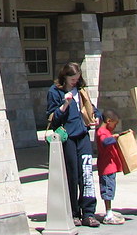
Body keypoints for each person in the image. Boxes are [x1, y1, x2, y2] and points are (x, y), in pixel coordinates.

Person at [47, 62, 100, 228]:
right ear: (65, 77)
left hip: (82, 134)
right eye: (72, 79)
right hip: (67, 136)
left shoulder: (80, 91)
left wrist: (97, 116)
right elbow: (52, 117)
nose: (74, 82)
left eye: (77, 79)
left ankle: (89, 212)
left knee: (86, 173)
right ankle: (74, 212)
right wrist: (65, 104)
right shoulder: (54, 92)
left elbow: (91, 108)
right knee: (72, 174)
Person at [95, 108, 126, 225]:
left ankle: (110, 211)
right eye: (115, 123)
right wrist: (114, 138)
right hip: (106, 167)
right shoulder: (102, 131)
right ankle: (108, 214)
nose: (115, 126)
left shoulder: (106, 131)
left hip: (110, 166)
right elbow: (105, 142)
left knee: (110, 188)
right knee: (107, 189)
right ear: (109, 120)